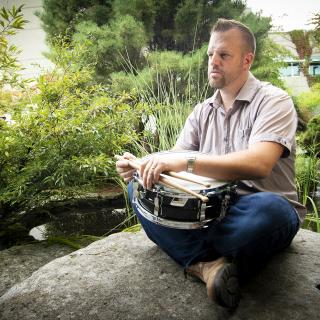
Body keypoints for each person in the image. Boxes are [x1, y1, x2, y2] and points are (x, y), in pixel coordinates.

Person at [116, 18, 306, 308]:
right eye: (210, 55)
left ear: (247, 59)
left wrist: (188, 161)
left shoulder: (273, 100)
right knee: (139, 191)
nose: (213, 61)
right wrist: (143, 165)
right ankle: (209, 267)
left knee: (273, 210)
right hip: (208, 212)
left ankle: (189, 252)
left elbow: (259, 164)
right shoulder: (202, 111)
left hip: (254, 209)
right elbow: (174, 157)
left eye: (223, 55)